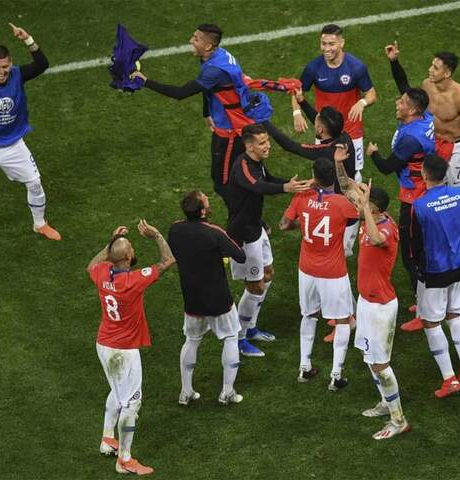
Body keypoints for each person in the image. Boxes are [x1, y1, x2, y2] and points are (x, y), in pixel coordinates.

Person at [131, 24, 294, 204]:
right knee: (250, 171)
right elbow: (208, 88)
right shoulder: (218, 55)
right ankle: (295, 188)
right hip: (236, 122)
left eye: (196, 39)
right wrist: (206, 112)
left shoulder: (214, 70)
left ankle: (247, 215)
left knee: (222, 183)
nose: (191, 41)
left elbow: (180, 93)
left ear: (208, 46)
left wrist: (145, 81)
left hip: (230, 130)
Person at [88, 220, 175, 475]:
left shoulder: (103, 273)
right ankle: (124, 460)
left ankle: (107, 438)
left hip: (104, 344)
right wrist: (156, 235)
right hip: (123, 352)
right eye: (131, 249)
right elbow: (168, 260)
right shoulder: (134, 280)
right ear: (127, 257)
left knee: (117, 392)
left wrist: (110, 244)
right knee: (132, 404)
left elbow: (91, 265)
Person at [227, 123, 311, 357]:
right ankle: (239, 338)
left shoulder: (256, 162)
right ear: (249, 146)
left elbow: (268, 178)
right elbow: (258, 186)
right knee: (255, 286)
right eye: (262, 143)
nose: (268, 146)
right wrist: (286, 188)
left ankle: (251, 327)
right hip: (243, 235)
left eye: (267, 141)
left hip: (256, 227)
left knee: (268, 274)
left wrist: (295, 185)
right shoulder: (242, 166)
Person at [279, 158, 359, 391]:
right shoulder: (342, 204)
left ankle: (304, 367)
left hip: (307, 270)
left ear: (314, 176)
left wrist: (301, 225)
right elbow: (363, 212)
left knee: (309, 315)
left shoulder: (301, 197)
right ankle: (336, 375)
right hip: (333, 272)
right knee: (343, 320)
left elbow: (284, 224)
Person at [411, 155, 460, 398]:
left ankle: (450, 379)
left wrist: (418, 269)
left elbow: (415, 245)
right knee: (455, 315)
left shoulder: (420, 206)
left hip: (434, 271)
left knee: (431, 323)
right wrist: (459, 238)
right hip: (459, 265)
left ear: (424, 174)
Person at [168, 190, 247, 406]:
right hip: (218, 298)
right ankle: (227, 391)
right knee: (230, 337)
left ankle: (185, 391)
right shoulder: (214, 233)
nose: (208, 200)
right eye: (205, 199)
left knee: (192, 340)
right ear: (203, 211)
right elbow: (240, 255)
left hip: (192, 297)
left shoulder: (175, 229)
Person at [366, 87, 435, 330]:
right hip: (425, 189)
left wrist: (374, 153)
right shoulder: (426, 118)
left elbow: (386, 167)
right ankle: (425, 300)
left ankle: (425, 312)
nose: (397, 103)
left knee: (411, 256)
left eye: (403, 102)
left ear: (413, 110)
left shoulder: (410, 140)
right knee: (421, 250)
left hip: (413, 198)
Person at [263, 92, 359, 257]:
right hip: (350, 193)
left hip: (340, 206)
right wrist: (302, 102)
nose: (314, 122)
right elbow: (320, 120)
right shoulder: (343, 136)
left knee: (335, 253)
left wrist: (263, 121)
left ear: (321, 129)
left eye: (316, 123)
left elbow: (290, 146)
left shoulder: (327, 150)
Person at [0, 23, 60, 240]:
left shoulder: (18, 74)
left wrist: (28, 39)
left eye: (5, 67)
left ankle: (40, 224)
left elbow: (42, 64)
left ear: (11, 64)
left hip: (14, 145)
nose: (1, 71)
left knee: (35, 183)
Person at [384, 41, 460, 187]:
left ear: (447, 73)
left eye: (435, 68)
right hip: (433, 143)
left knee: (454, 189)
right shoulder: (427, 85)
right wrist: (394, 62)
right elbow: (406, 91)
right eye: (431, 65)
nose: (430, 69)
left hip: (455, 147)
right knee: (430, 185)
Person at [352, 182, 409, 439]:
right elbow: (347, 188)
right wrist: (340, 168)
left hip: (381, 307)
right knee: (369, 357)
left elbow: (376, 240)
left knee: (381, 364)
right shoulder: (371, 218)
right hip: (366, 301)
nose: (357, 204)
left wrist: (364, 207)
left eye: (362, 203)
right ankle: (386, 402)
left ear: (373, 208)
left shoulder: (386, 229)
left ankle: (399, 420)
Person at [292, 24, 376, 182]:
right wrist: (297, 113)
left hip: (351, 130)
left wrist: (362, 102)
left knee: (353, 175)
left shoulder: (356, 67)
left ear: (341, 43)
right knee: (322, 173)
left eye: (331, 44)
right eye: (323, 44)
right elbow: (296, 90)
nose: (326, 49)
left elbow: (372, 93)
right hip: (324, 130)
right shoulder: (313, 68)